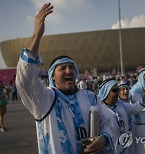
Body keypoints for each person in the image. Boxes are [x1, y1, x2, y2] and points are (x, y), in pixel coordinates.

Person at [16, 3, 114, 154]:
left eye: (71, 68)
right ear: (52, 77)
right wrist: (37, 35)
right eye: (62, 68)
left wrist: (104, 138)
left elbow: (108, 120)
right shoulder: (44, 99)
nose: (68, 71)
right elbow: (25, 80)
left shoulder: (90, 97)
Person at [97, 79, 145, 154]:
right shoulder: (99, 110)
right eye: (115, 90)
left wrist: (144, 100)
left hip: (125, 149)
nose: (118, 92)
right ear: (105, 92)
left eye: (118, 89)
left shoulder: (120, 104)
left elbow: (133, 109)